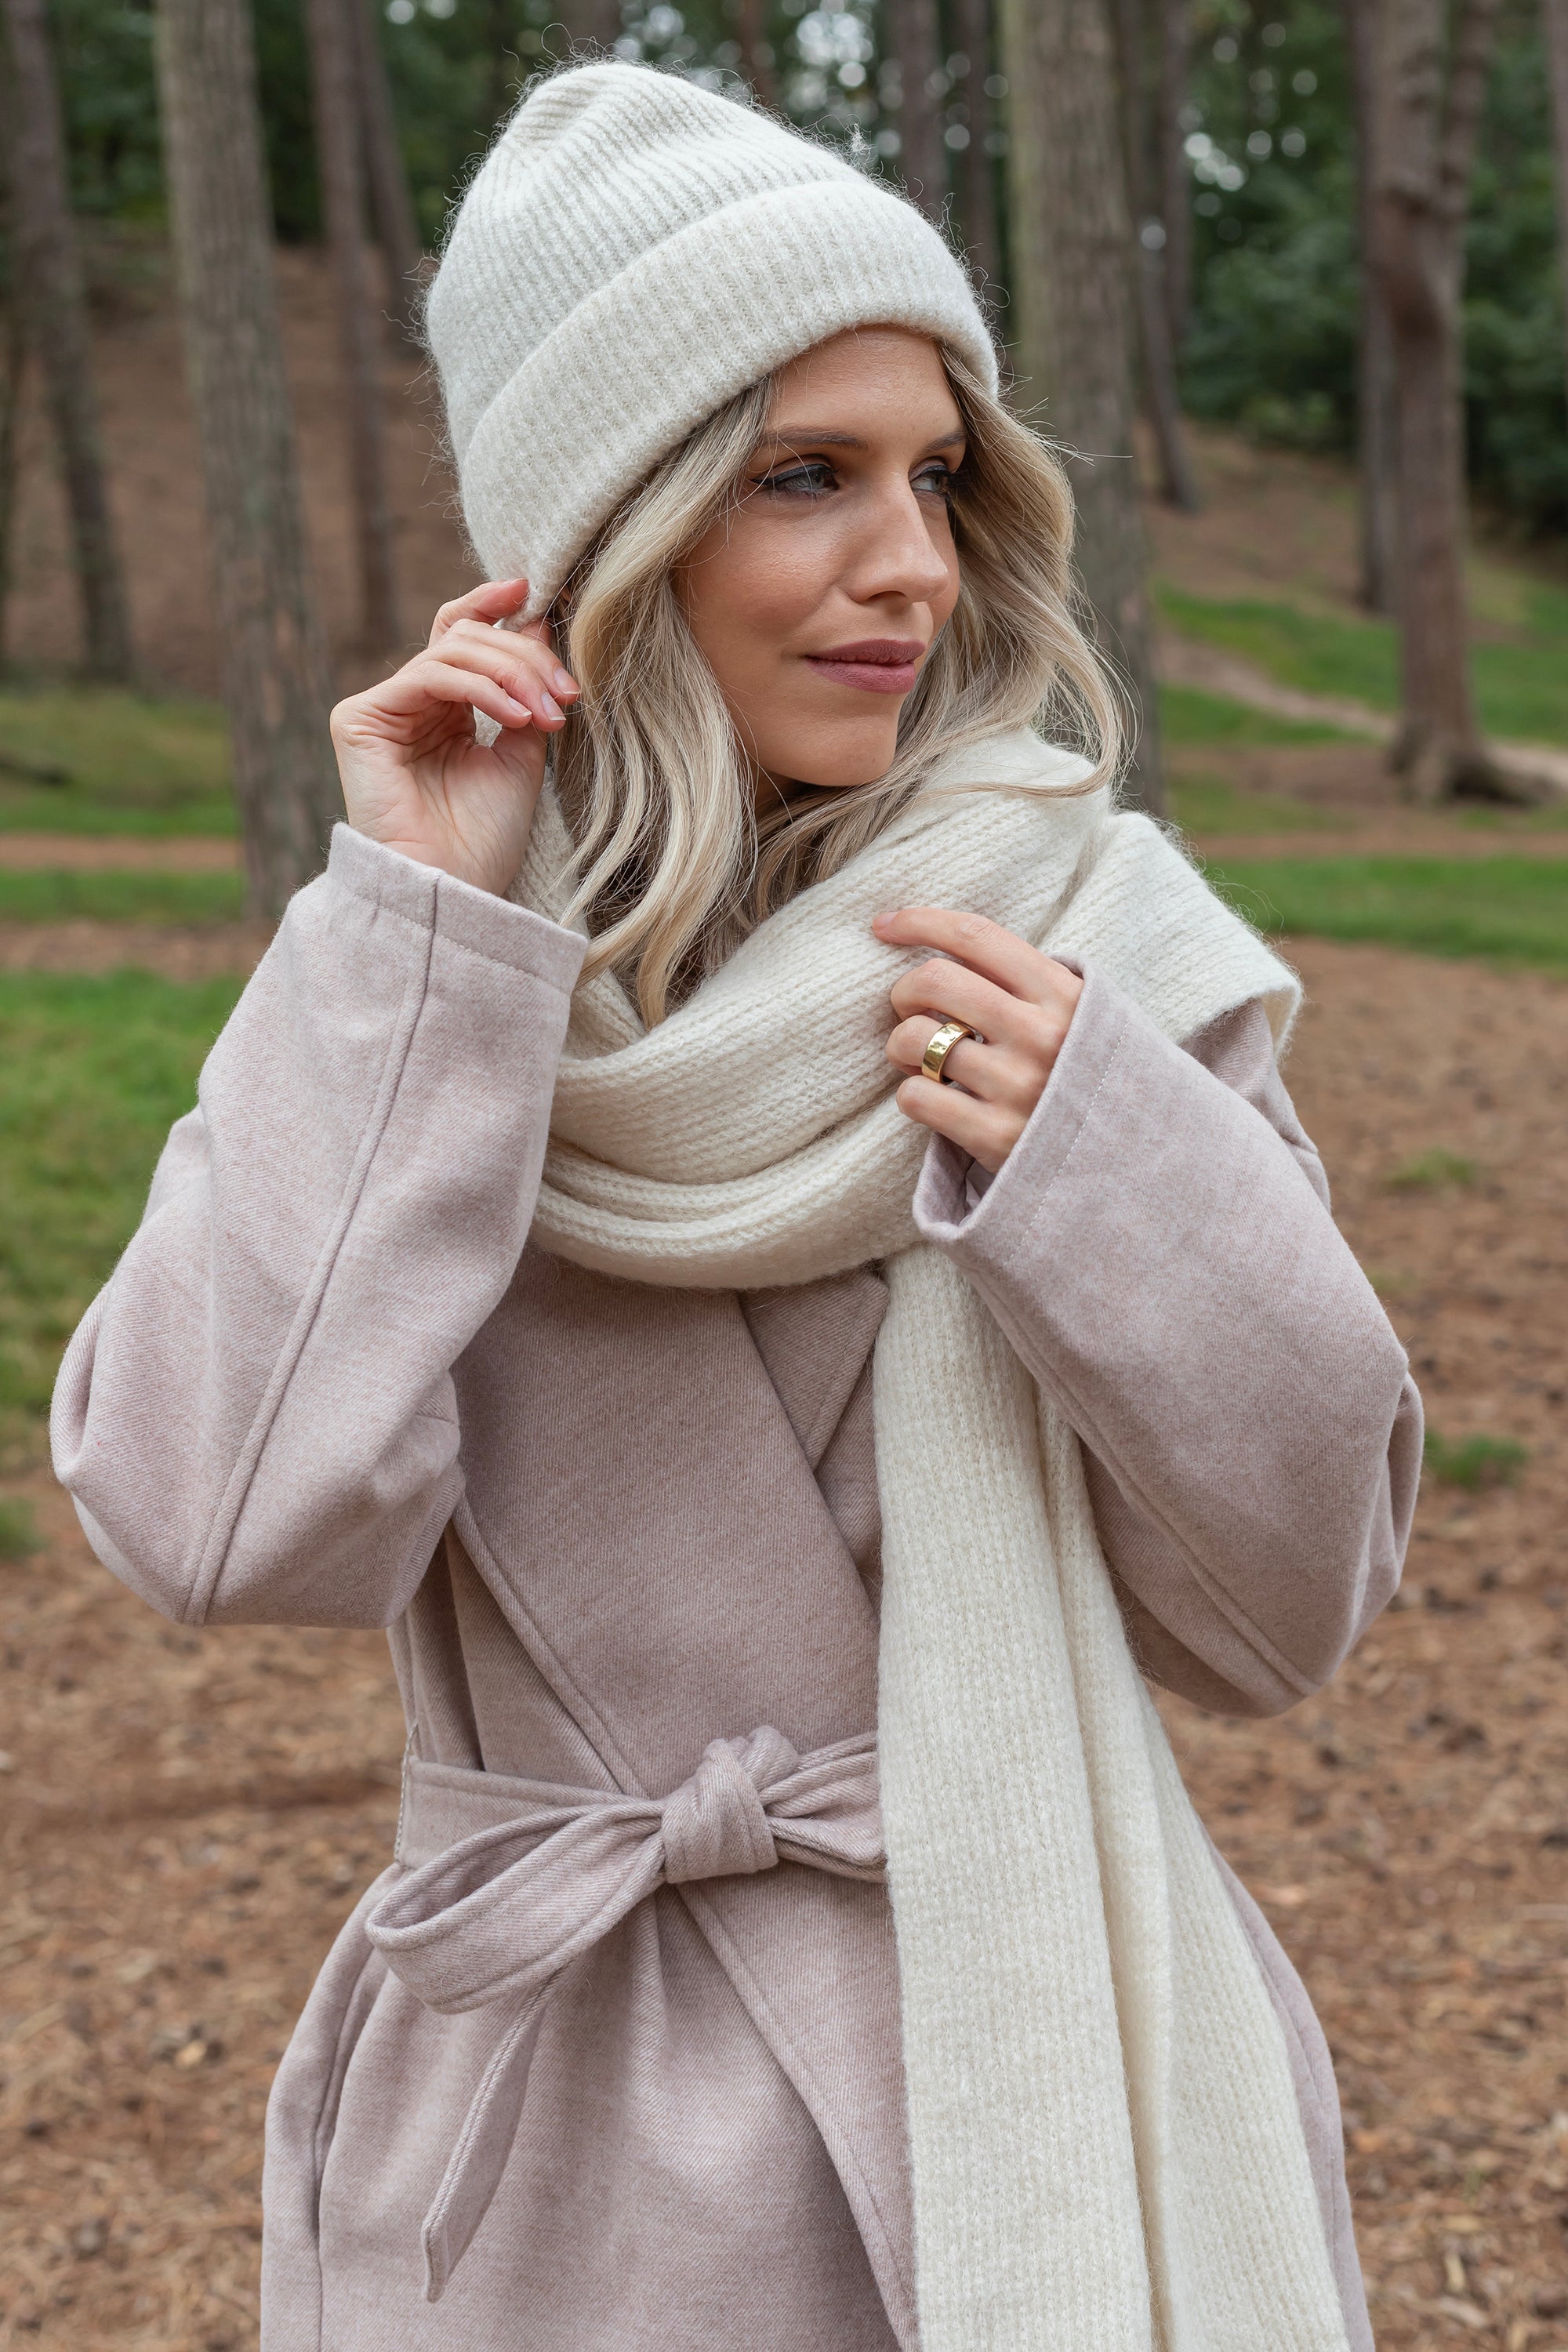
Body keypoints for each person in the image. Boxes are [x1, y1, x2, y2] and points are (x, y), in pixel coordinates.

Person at [52, 60, 1420, 2352]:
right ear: (617, 528)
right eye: (806, 477)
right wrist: (423, 942)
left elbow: (1293, 1611)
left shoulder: (1083, 958)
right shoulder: (435, 990)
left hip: (1054, 2065)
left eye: (937, 476)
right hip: (567, 2159)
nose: (914, 565)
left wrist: (1103, 1169)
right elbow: (212, 1527)